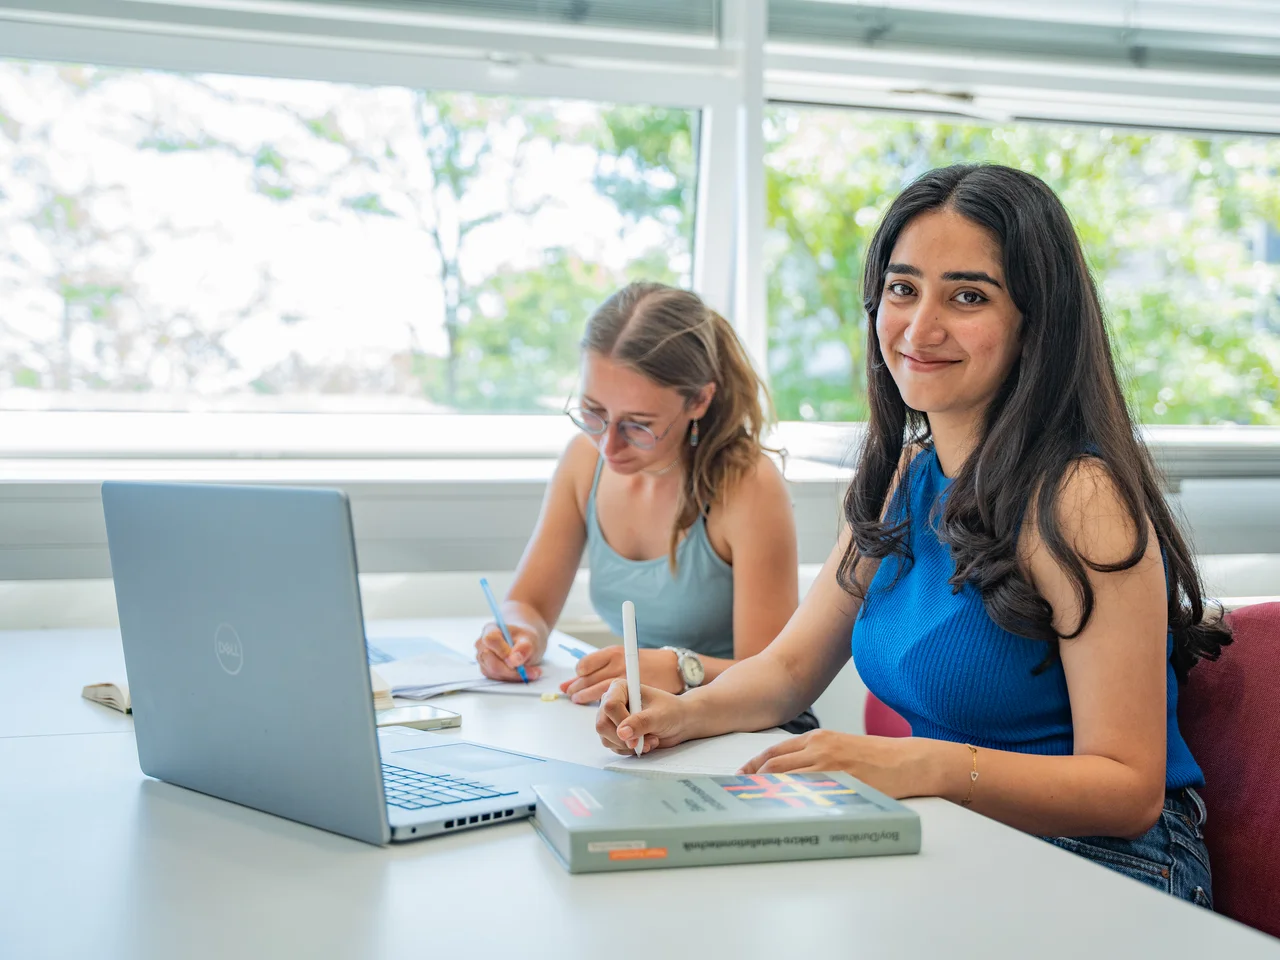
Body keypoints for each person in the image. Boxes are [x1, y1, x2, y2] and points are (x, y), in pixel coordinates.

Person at [594, 165, 1231, 906]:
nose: (919, 328)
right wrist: (681, 714)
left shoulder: (1079, 497)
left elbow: (1128, 792)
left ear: (1037, 321)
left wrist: (922, 766)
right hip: (960, 833)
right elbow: (792, 669)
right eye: (902, 289)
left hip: (1113, 867)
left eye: (967, 296)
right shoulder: (908, 476)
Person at [475, 281, 810, 726]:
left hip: (746, 732)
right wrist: (515, 634)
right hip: (647, 726)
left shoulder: (747, 486)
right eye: (594, 411)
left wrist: (677, 669)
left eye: (638, 424)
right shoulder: (583, 460)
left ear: (699, 400)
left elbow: (776, 683)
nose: (608, 444)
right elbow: (530, 605)